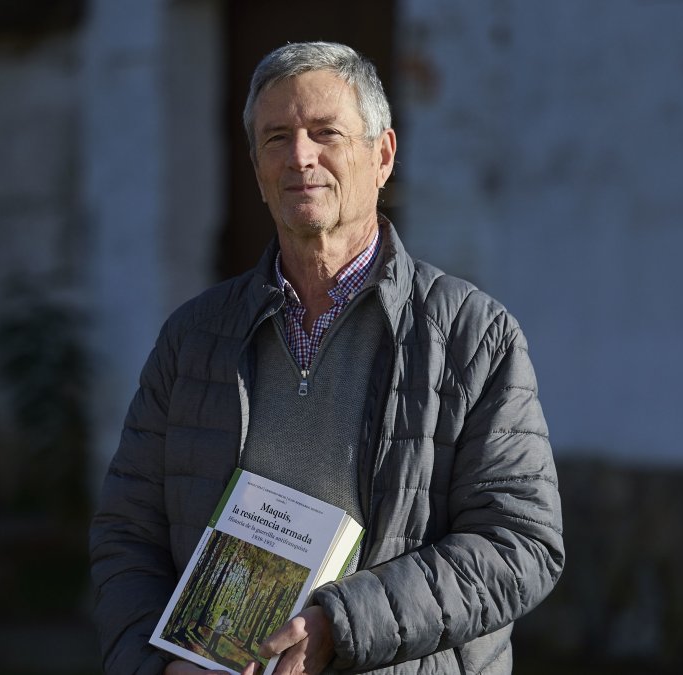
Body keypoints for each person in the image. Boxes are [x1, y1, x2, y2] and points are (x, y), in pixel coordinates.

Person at [88, 41, 564, 675]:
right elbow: (128, 536)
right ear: (256, 165)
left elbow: (521, 545)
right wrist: (158, 662)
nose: (300, 157)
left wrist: (341, 624)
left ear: (382, 155)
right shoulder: (193, 337)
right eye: (276, 137)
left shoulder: (474, 337)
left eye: (325, 133)